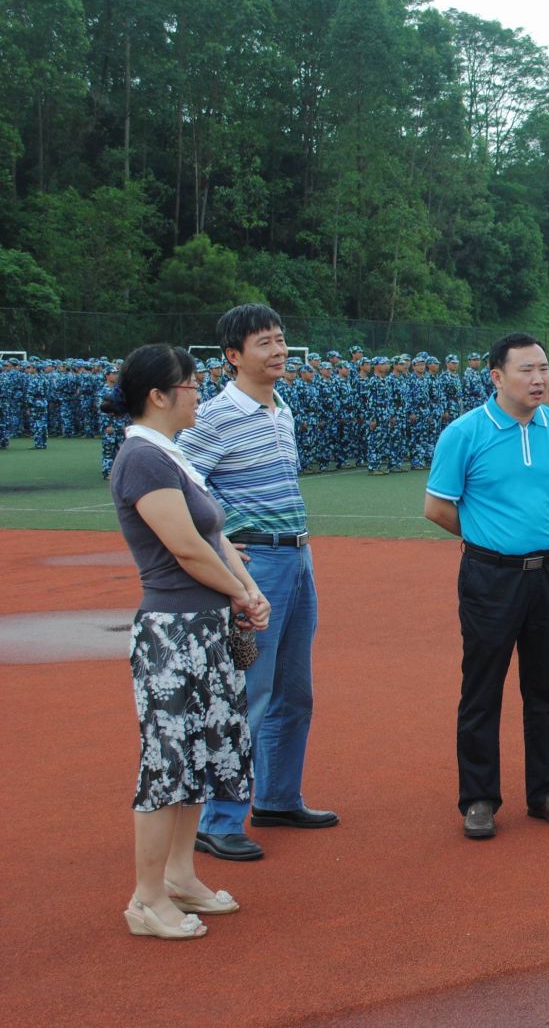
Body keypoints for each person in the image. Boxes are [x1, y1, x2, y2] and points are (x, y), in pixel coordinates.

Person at [106, 344, 268, 939]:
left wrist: (247, 590)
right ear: (159, 395)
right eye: (193, 385)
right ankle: (147, 899)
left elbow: (215, 537)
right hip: (174, 634)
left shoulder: (171, 455)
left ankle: (179, 875)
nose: (201, 394)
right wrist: (241, 593)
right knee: (168, 759)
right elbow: (186, 548)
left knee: (203, 753)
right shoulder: (142, 459)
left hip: (206, 628)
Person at [179, 304, 339, 862]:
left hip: (297, 557)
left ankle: (277, 798)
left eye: (280, 339)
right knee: (247, 692)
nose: (279, 351)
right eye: (264, 342)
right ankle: (218, 820)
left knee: (294, 692)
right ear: (232, 355)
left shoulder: (280, 409)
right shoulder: (216, 416)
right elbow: (181, 483)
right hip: (255, 564)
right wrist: (223, 541)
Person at [424, 333, 549, 840]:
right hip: (490, 578)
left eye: (544, 369)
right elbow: (437, 508)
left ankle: (546, 791)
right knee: (482, 688)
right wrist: (488, 537)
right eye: (526, 370)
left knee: (546, 688)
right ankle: (479, 797)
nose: (539, 379)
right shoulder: (465, 433)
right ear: (496, 377)